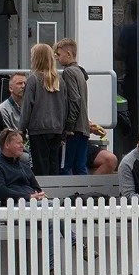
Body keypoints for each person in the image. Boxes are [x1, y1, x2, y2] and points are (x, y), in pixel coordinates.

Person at [18, 43, 68, 177]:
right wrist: (63, 130)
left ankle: (43, 194)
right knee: (54, 166)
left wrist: (21, 129)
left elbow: (27, 107)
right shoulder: (60, 81)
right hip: (56, 129)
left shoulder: (33, 79)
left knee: (40, 167)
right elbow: (65, 107)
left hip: (38, 129)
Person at [54, 38, 91, 175]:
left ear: (68, 54)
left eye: (59, 54)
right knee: (80, 166)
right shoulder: (80, 72)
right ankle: (84, 196)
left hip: (73, 129)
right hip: (83, 128)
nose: (57, 58)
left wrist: (68, 126)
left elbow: (74, 100)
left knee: (65, 166)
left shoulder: (68, 72)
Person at [0, 127, 45, 202]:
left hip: (33, 202)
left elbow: (37, 188)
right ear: (7, 145)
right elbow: (0, 191)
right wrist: (28, 197)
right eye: (18, 143)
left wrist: (38, 195)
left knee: (51, 205)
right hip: (14, 205)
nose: (22, 146)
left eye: (22, 143)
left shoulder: (24, 166)